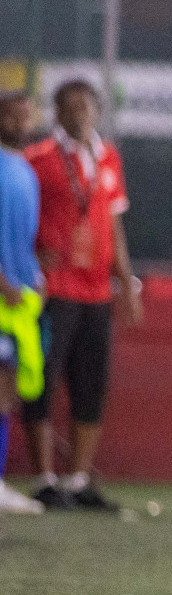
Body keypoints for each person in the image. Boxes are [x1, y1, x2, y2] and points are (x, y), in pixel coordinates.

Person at [22, 80, 143, 511]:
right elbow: (17, 212)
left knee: (92, 383)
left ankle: (77, 479)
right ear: (56, 112)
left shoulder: (109, 156)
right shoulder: (37, 159)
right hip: (53, 287)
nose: (80, 114)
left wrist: (126, 281)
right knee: (44, 380)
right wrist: (29, 253)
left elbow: (114, 224)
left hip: (96, 289)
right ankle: (43, 477)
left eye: (87, 106)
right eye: (71, 107)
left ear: (97, 110)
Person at [0, 90, 45, 514]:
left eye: (25, 116)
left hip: (20, 298)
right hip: (2, 296)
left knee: (10, 387)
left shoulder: (24, 169)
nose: (20, 123)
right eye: (11, 116)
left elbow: (22, 236)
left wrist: (35, 277)